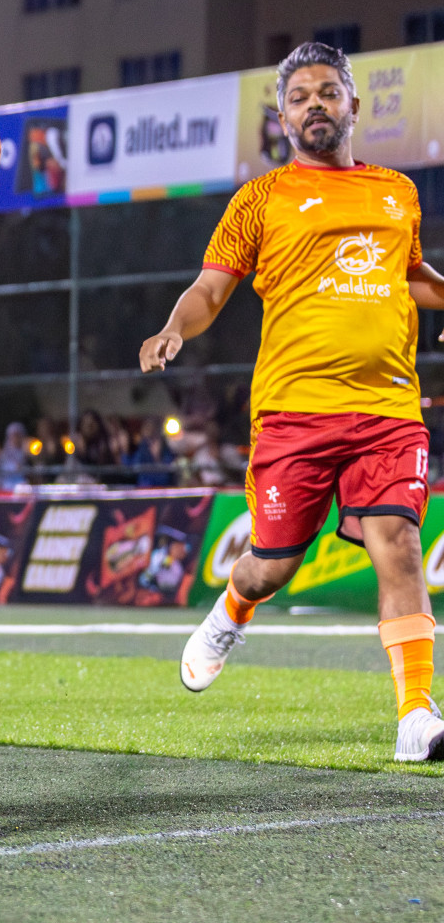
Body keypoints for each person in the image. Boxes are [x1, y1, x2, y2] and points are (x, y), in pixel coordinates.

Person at [139, 42, 444, 762]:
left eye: (328, 93)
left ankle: (416, 716)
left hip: (388, 409)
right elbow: (212, 287)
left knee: (398, 544)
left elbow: (411, 275)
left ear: (353, 107)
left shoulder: (396, 191)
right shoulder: (262, 198)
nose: (316, 105)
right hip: (294, 414)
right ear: (282, 115)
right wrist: (174, 327)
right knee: (273, 566)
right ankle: (232, 608)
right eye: (301, 96)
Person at [127, 416, 176, 487]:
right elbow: (133, 467)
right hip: (145, 488)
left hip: (164, 487)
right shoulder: (142, 448)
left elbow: (170, 467)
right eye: (148, 428)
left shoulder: (165, 447)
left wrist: (158, 457)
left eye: (153, 427)